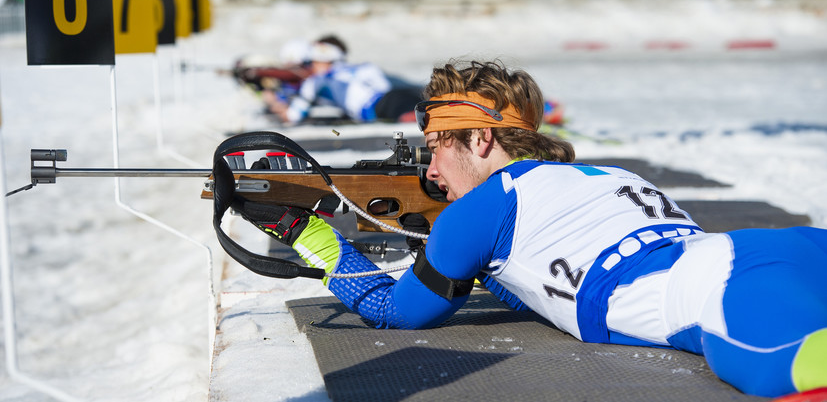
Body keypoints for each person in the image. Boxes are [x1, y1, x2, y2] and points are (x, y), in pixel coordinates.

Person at [250, 60, 827, 399]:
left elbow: (394, 311)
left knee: (799, 374)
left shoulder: (483, 209)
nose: (430, 172)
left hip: (714, 287)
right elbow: (533, 283)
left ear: (480, 139)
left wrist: (308, 235)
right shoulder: (608, 174)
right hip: (771, 250)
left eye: (435, 148)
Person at [270, 35, 422, 124]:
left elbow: (293, 116)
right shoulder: (356, 68)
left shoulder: (316, 81)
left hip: (381, 106)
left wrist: (273, 102)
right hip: (393, 97)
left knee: (416, 118)